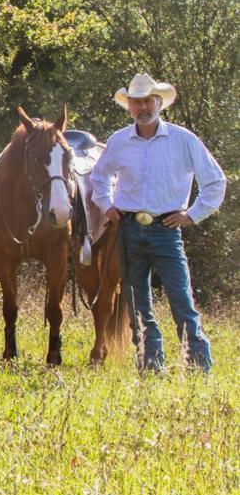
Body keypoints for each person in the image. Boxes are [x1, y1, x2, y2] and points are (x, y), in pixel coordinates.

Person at [90, 73, 225, 373]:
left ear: (159, 103)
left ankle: (198, 365)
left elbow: (215, 180)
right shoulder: (119, 141)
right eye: (136, 102)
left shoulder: (183, 139)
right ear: (130, 107)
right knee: (137, 302)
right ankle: (150, 365)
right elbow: (99, 177)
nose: (142, 107)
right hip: (127, 229)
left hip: (167, 229)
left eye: (147, 100)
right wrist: (107, 204)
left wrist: (192, 214)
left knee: (180, 299)